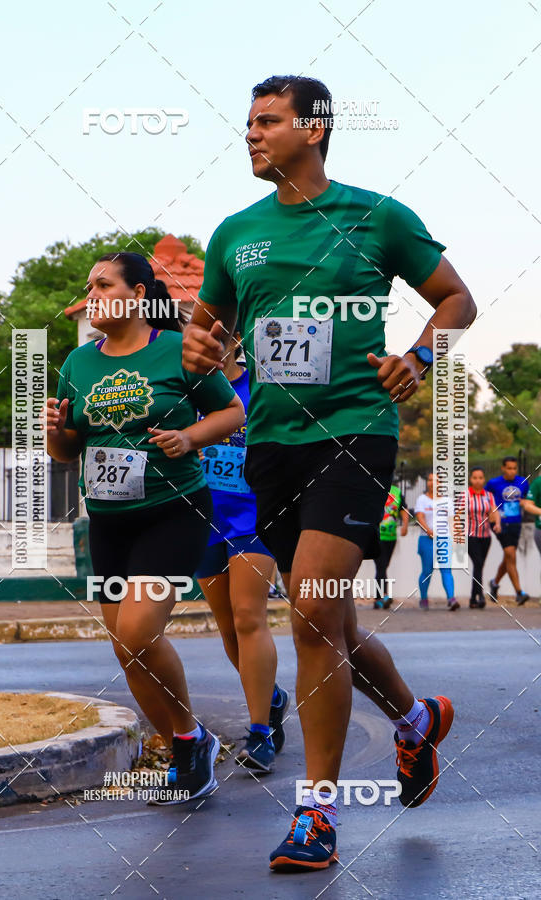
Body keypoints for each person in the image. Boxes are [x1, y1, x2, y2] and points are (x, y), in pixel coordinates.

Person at [182, 74, 476, 870]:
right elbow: (204, 328)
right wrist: (200, 346)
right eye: (247, 123)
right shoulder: (234, 233)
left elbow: (456, 301)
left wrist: (419, 357)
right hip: (271, 448)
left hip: (354, 431)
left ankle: (316, 815)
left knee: (310, 613)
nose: (251, 134)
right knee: (333, 626)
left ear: (314, 131)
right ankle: (415, 723)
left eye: (267, 122)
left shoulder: (375, 216)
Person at [45, 251, 244, 804]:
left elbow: (232, 413)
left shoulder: (176, 351)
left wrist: (190, 439)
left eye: (103, 284)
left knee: (138, 633)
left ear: (137, 293)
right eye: (89, 287)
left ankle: (190, 741)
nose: (92, 295)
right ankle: (187, 742)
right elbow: (64, 452)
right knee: (125, 651)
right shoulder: (78, 363)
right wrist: (58, 431)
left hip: (173, 511)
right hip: (108, 522)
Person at [196, 330, 289, 774]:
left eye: (219, 336)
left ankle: (260, 733)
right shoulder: (187, 390)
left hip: (255, 518)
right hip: (202, 520)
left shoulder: (263, 387)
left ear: (235, 339)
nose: (209, 344)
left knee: (249, 616)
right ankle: (271, 697)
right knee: (230, 633)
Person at [486, 457, 530, 605]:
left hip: (516, 523)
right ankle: (519, 592)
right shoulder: (493, 483)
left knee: (508, 557)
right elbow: (484, 499)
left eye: (514, 468)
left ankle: (494, 583)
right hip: (500, 524)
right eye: (509, 468)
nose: (512, 471)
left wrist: (524, 503)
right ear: (503, 468)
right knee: (510, 554)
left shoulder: (523, 482)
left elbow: (526, 500)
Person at [414, 474, 459, 611]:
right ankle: (423, 598)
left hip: (444, 539)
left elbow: (452, 521)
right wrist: (428, 530)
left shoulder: (448, 501)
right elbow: (419, 516)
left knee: (446, 570)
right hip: (426, 539)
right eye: (430, 480)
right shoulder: (422, 499)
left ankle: (451, 599)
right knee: (427, 571)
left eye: (436, 480)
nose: (433, 483)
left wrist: (456, 537)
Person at [465, 468, 501, 608]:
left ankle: (473, 598)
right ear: (470, 479)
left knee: (479, 566)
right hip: (470, 535)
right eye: (475, 477)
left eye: (480, 477)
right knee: (478, 563)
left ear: (484, 479)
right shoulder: (465, 495)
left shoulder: (489, 495)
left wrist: (497, 523)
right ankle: (480, 595)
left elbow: (494, 511)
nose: (478, 480)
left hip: (485, 536)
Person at [372, 482, 408, 609]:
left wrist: (405, 525)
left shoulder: (396, 492)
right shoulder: (373, 489)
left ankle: (378, 599)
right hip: (376, 535)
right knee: (381, 565)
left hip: (391, 537)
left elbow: (403, 509)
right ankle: (383, 596)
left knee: (383, 567)